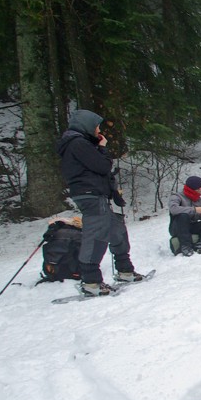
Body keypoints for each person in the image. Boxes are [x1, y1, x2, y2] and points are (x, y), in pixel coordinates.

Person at [56, 109, 145, 296]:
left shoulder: (83, 143)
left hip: (97, 194)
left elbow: (99, 171)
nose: (99, 130)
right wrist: (103, 147)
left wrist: (113, 192)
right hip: (90, 195)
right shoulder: (77, 143)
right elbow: (103, 165)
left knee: (117, 230)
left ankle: (125, 270)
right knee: (97, 236)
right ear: (86, 125)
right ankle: (91, 281)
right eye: (96, 126)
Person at [169, 175, 201, 257]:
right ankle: (185, 246)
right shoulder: (176, 196)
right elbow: (174, 210)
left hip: (192, 226)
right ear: (197, 188)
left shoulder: (197, 198)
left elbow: (199, 216)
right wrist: (195, 210)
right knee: (183, 216)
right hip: (177, 228)